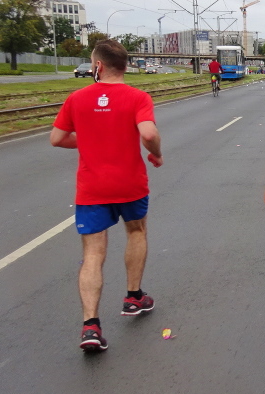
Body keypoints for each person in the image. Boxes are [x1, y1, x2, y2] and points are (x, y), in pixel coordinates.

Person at [49, 39, 163, 352]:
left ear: (98, 66)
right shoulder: (138, 97)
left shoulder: (77, 98)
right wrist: (156, 153)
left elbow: (56, 138)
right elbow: (148, 133)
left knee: (93, 253)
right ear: (124, 66)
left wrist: (88, 139)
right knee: (136, 231)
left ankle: (91, 326)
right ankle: (133, 296)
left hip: (92, 188)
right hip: (130, 184)